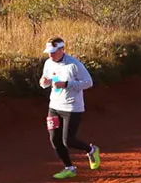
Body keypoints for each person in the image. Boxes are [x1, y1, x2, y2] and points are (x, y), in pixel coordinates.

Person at [40, 37, 101, 180]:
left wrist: (67, 84)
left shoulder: (74, 64)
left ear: (62, 50)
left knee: (68, 140)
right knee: (54, 139)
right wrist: (44, 82)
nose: (51, 55)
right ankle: (69, 168)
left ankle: (91, 150)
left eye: (54, 52)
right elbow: (44, 80)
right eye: (49, 52)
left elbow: (88, 83)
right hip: (54, 106)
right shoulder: (48, 63)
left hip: (72, 107)